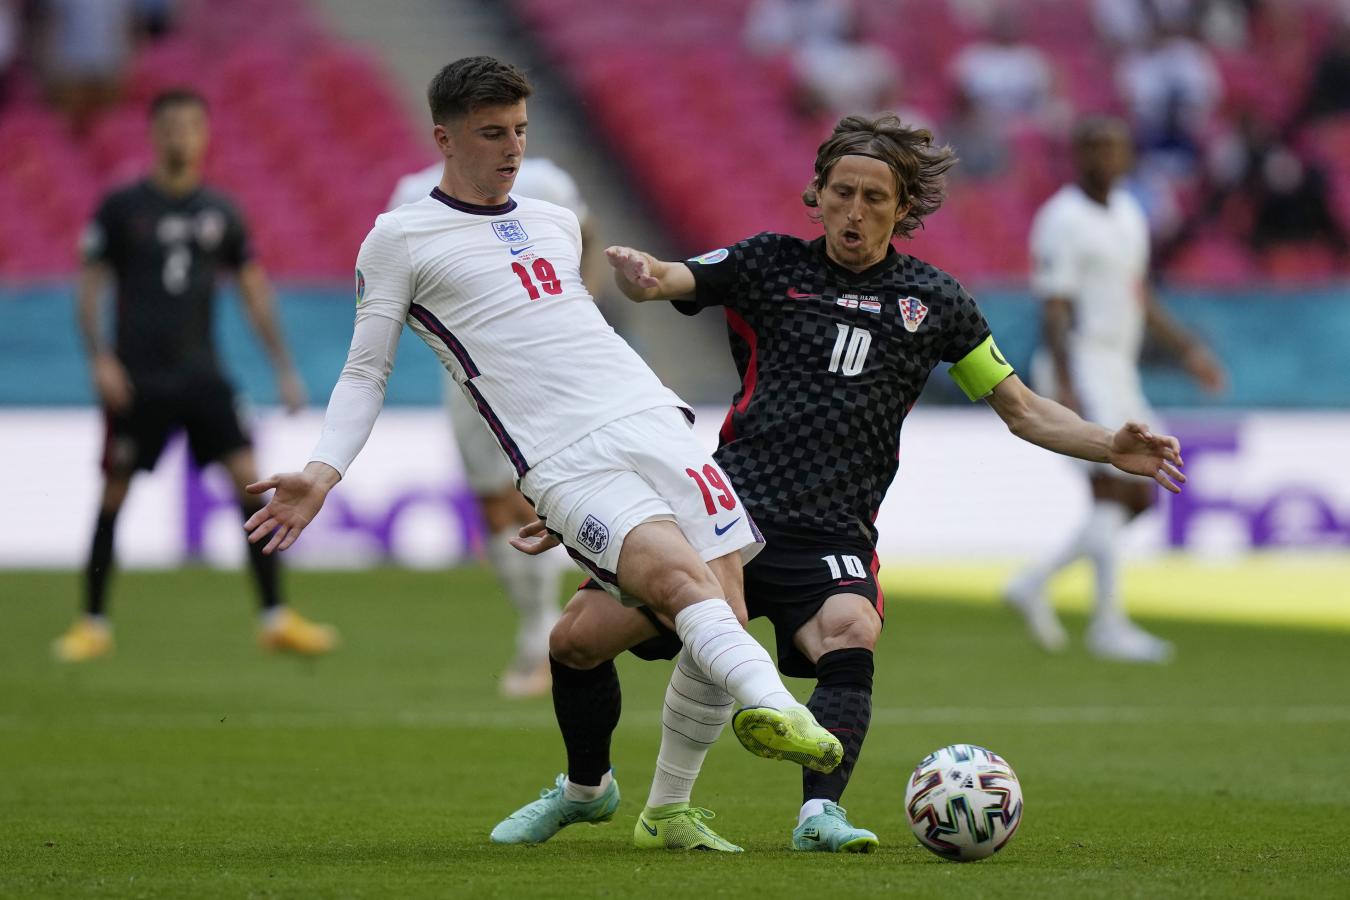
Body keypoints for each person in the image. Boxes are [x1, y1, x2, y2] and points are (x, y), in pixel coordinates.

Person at [491, 113, 1187, 853]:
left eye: (874, 198)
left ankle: (818, 815)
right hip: (720, 513)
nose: (856, 210)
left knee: (852, 633)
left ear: (902, 208)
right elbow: (672, 278)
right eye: (842, 192)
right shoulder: (767, 266)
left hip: (829, 530)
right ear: (816, 196)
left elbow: (1021, 410)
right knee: (574, 642)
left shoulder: (935, 303)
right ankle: (587, 790)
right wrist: (647, 276)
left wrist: (1109, 443)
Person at [242, 56, 844, 789]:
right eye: (492, 134)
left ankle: (668, 808)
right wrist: (322, 472)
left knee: (725, 594)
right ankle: (783, 713)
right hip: (563, 454)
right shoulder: (399, 238)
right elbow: (367, 372)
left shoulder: (555, 220)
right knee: (682, 583)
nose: (512, 149)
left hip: (649, 413)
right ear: (446, 138)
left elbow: (566, 332)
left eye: (520, 131)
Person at [54, 88, 336, 662]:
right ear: (153, 134)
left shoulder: (222, 211)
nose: (181, 135)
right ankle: (93, 622)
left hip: (203, 376)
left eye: (191, 126)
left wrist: (283, 366)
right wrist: (99, 358)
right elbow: (90, 287)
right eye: (171, 126)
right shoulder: (122, 207)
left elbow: (254, 289)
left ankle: (275, 617)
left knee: (250, 484)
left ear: (205, 136)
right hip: (137, 380)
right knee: (114, 493)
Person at [1006, 116, 1224, 662]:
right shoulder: (1061, 219)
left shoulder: (1130, 212)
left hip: (1117, 368)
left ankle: (1034, 583)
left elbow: (1138, 293)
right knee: (1111, 488)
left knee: (1144, 490)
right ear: (1078, 154)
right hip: (1079, 363)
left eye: (1116, 148)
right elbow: (1054, 307)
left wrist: (1187, 350)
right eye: (1096, 147)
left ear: (1128, 156)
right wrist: (1068, 387)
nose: (1107, 157)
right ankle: (1108, 624)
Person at [386, 157, 603, 698]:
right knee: (492, 505)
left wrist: (584, 309)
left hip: (546, 369)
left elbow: (588, 235)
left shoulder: (546, 181)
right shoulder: (414, 191)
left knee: (540, 498)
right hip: (467, 373)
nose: (506, 140)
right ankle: (540, 627)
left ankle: (549, 638)